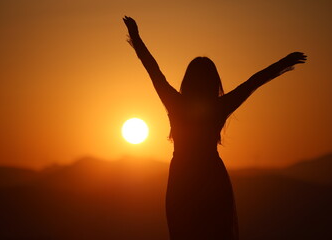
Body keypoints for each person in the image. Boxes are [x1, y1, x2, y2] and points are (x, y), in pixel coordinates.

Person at [123, 16, 306, 240]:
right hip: (211, 176)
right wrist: (283, 63)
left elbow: (153, 70)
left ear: (188, 80)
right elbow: (253, 82)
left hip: (182, 178)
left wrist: (136, 37)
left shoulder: (176, 103)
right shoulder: (219, 106)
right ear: (213, 81)